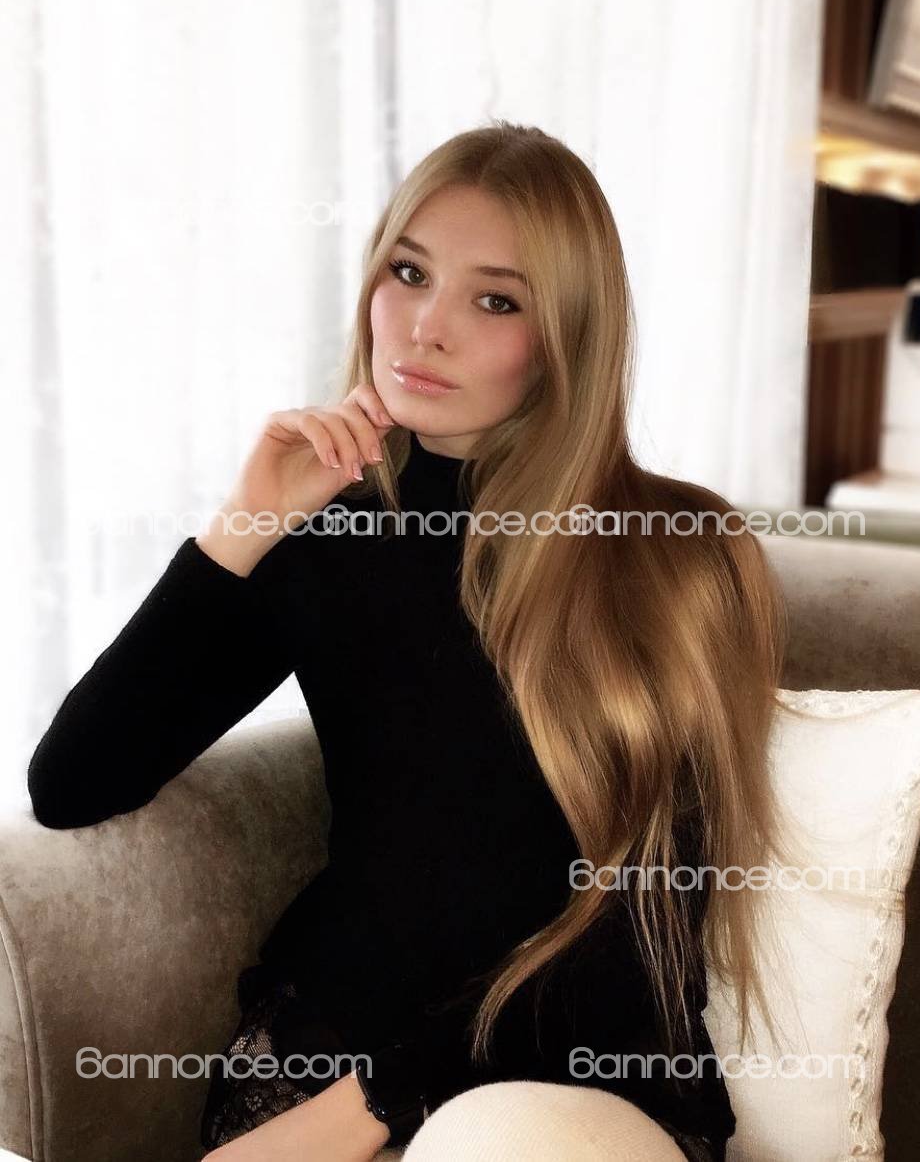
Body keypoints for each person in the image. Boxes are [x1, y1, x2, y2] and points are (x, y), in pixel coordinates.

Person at [27, 122, 798, 1161]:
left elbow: (635, 932)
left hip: (569, 1092)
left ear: (566, 333)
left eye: (495, 300)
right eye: (408, 273)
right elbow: (74, 782)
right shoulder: (326, 536)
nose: (426, 328)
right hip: (319, 1063)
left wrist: (367, 1111)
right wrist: (246, 524)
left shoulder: (677, 551)